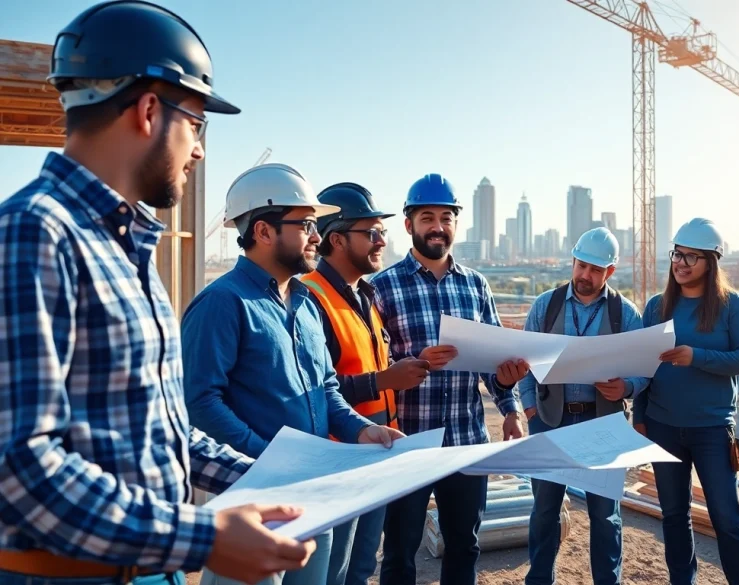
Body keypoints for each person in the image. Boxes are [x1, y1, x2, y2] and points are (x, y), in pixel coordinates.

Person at [0, 3, 317, 585]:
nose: (198, 150)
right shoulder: (33, 235)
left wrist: (278, 478)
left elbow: (159, 432)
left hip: (147, 568)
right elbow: (20, 467)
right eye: (197, 125)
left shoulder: (124, 247)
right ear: (150, 110)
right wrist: (206, 538)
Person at [181, 164, 405, 585]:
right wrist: (268, 461)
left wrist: (360, 430)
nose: (317, 236)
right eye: (305, 225)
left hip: (310, 492)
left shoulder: (304, 304)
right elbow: (199, 402)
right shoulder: (222, 304)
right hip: (253, 501)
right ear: (264, 231)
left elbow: (326, 389)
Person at [370, 174, 529, 585]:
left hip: (465, 440)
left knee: (464, 546)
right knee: (400, 553)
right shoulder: (381, 288)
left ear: (456, 224)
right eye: (427, 217)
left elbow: (494, 360)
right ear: (409, 225)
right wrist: (413, 361)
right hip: (407, 442)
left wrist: (509, 402)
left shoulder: (476, 286)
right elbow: (374, 364)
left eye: (446, 217)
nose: (437, 226)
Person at [300, 182, 432, 585]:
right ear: (337, 239)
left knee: (360, 570)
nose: (380, 242)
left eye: (382, 233)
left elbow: (366, 359)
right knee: (334, 573)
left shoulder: (364, 294)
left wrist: (401, 370)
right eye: (371, 233)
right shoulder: (311, 298)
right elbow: (315, 389)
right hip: (339, 462)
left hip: (375, 454)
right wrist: (383, 380)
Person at [632, 218, 739, 585]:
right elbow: (644, 367)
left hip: (712, 429)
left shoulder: (731, 306)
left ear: (711, 262)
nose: (681, 263)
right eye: (677, 254)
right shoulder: (657, 307)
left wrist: (696, 356)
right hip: (662, 427)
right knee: (674, 515)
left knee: (726, 519)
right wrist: (640, 418)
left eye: (692, 257)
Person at [518, 227, 648, 585]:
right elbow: (524, 363)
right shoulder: (546, 306)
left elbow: (644, 371)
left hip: (603, 427)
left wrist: (627, 386)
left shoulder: (626, 314)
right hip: (551, 422)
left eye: (595, 269)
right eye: (581, 266)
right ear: (573, 261)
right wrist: (531, 413)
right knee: (544, 512)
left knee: (605, 517)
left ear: (610, 272)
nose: (585, 276)